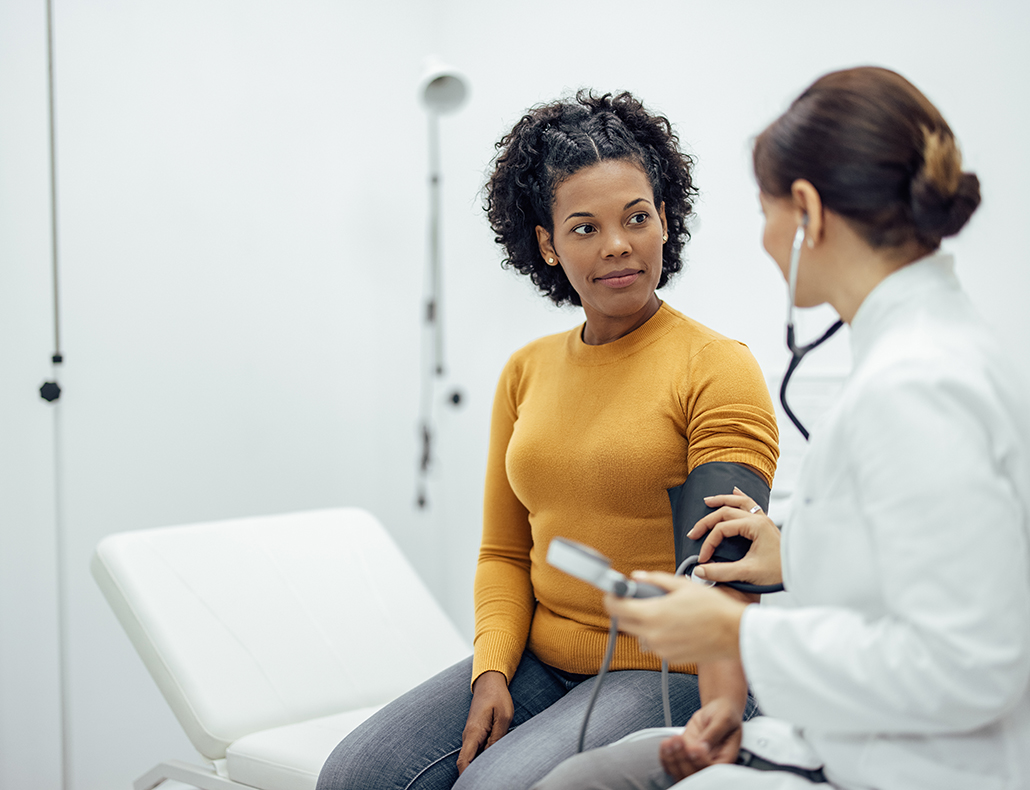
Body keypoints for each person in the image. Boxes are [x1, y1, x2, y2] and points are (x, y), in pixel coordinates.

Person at [532, 67, 1030, 790]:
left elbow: (968, 661)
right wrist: (798, 554)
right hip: (862, 736)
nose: (766, 239)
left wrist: (737, 633)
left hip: (916, 766)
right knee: (591, 777)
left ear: (805, 210)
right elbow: (945, 564)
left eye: (766, 211)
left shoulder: (917, 387)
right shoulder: (938, 352)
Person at [315, 91, 779, 790]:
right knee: (358, 773)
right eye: (585, 227)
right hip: (542, 658)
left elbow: (719, 576)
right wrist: (491, 670)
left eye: (637, 217)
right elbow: (504, 550)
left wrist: (721, 707)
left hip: (666, 668)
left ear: (664, 220)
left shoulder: (715, 366)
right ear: (547, 244)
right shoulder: (526, 371)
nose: (617, 244)